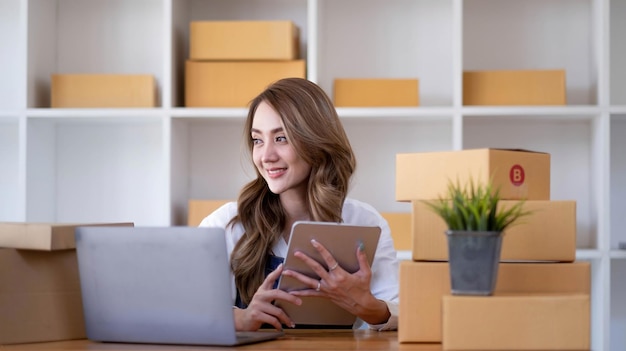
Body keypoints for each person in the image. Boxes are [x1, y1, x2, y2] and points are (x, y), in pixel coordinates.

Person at [199, 77, 399, 332]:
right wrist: (242, 318)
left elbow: (404, 316)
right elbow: (193, 314)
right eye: (258, 140)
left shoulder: (365, 222)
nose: (266, 156)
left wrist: (367, 307)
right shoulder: (226, 225)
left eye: (281, 138)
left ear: (316, 141)